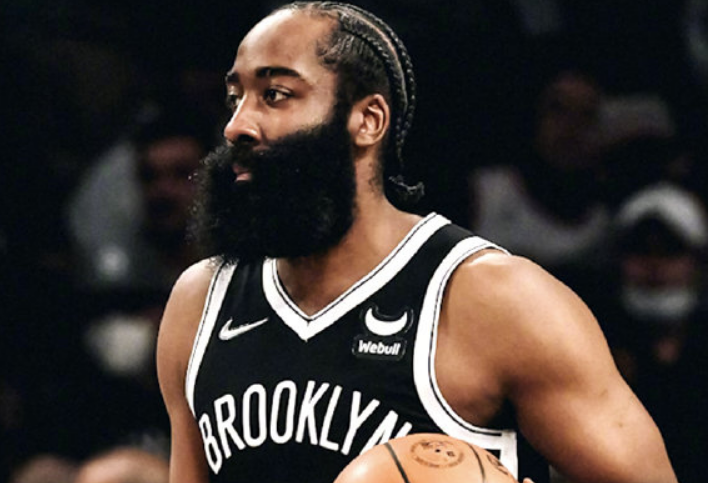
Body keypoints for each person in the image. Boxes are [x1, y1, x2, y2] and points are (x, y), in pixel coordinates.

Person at [156, 3, 677, 483]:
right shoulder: (200, 302)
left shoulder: (497, 299)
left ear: (368, 120)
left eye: (275, 95)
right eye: (235, 98)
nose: (237, 125)